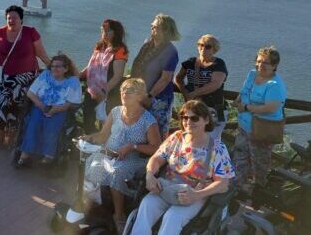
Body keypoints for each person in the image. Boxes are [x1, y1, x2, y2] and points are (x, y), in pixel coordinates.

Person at [132, 100, 235, 234]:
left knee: (173, 217)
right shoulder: (177, 137)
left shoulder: (217, 148)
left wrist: (197, 195)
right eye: (185, 117)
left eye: (194, 118)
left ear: (206, 120)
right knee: (146, 205)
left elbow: (223, 183)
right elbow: (157, 158)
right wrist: (149, 175)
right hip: (167, 187)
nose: (188, 122)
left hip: (194, 193)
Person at [82, 78, 161, 230]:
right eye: (123, 90)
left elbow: (156, 148)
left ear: (140, 96)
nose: (124, 93)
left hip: (132, 159)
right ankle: (90, 206)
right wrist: (89, 137)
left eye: (130, 91)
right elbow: (103, 135)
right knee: (92, 166)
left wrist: (133, 146)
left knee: (116, 173)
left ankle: (119, 215)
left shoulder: (148, 120)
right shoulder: (115, 111)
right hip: (108, 154)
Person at [0, 5, 51, 147]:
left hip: (24, 78)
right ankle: (0, 136)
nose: (11, 20)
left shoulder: (30, 32)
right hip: (2, 78)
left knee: (15, 102)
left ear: (21, 19)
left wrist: (54, 67)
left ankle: (12, 137)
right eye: (9, 18)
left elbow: (41, 54)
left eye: (15, 17)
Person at [233, 46, 286, 194]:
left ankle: (259, 193)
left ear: (274, 66)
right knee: (240, 158)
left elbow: (271, 107)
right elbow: (244, 91)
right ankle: (237, 189)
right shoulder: (252, 74)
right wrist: (238, 99)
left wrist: (246, 107)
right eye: (258, 61)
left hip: (261, 130)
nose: (260, 65)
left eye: (265, 63)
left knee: (259, 164)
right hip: (244, 127)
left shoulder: (275, 85)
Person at [18, 53, 82, 166]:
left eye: (58, 66)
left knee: (52, 127)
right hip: (40, 106)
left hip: (60, 109)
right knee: (33, 124)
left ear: (66, 68)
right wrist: (41, 106)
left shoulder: (72, 81)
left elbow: (70, 103)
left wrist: (56, 109)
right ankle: (25, 154)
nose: (54, 68)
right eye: (52, 66)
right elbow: (30, 93)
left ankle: (48, 156)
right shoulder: (45, 75)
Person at [131, 13, 180, 138]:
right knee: (140, 132)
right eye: (152, 26)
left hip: (158, 99)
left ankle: (157, 157)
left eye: (156, 27)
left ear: (166, 30)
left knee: (156, 132)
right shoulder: (148, 46)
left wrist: (149, 96)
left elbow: (165, 79)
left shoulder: (170, 51)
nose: (152, 28)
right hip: (141, 95)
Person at [174, 34, 228, 141]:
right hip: (194, 109)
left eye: (208, 46)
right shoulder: (190, 62)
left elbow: (215, 84)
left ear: (214, 49)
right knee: (191, 139)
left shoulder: (218, 64)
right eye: (201, 45)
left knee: (211, 141)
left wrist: (193, 94)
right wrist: (184, 92)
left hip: (213, 109)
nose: (203, 48)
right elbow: (178, 78)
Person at [80, 19, 128, 134]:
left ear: (116, 33)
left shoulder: (120, 50)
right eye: (102, 31)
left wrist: (103, 91)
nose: (104, 34)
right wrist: (77, 76)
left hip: (108, 93)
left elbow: (117, 76)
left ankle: (103, 149)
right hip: (91, 90)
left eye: (108, 31)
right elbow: (91, 67)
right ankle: (90, 146)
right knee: (88, 120)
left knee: (106, 124)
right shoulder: (100, 47)